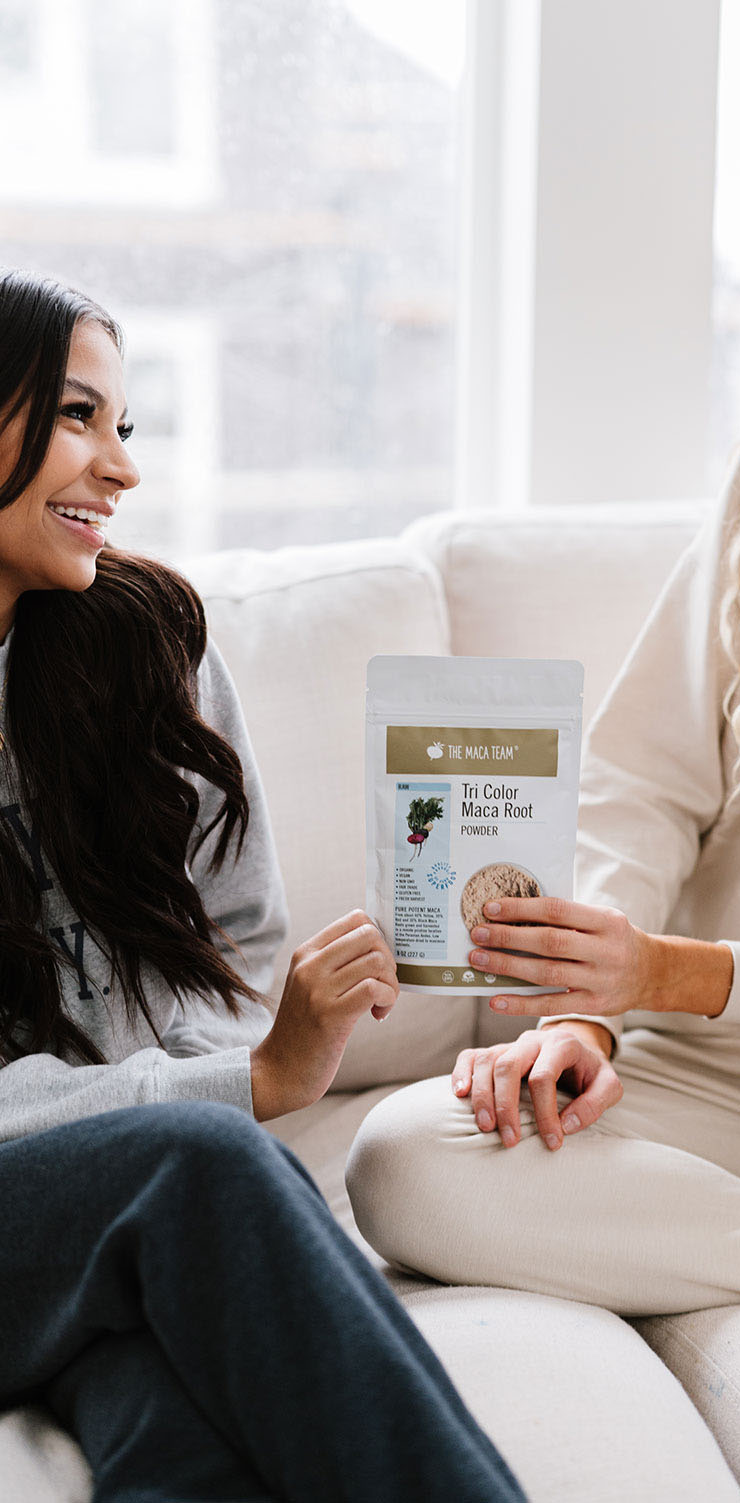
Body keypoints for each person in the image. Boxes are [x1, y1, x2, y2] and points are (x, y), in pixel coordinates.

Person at [346, 138, 740, 1313]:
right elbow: (645, 779)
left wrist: (666, 972)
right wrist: (592, 1010)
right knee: (406, 1163)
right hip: (723, 1061)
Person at [0, 268, 527, 1503]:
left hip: (109, 1228)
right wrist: (238, 1088)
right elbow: (202, 1119)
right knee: (209, 1168)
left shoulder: (148, 649)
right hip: (93, 1197)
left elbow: (231, 948)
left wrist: (233, 1064)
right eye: (77, 416)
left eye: (123, 425)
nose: (123, 468)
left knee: (173, 1413)